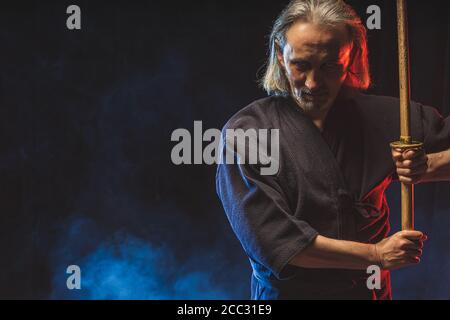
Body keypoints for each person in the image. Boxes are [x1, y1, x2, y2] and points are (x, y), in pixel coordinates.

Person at [216, 0, 450, 299]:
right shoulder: (247, 134)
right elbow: (278, 243)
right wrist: (376, 254)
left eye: (329, 66)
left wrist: (428, 164)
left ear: (351, 56)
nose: (313, 83)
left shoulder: (391, 119)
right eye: (300, 65)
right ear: (280, 54)